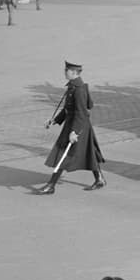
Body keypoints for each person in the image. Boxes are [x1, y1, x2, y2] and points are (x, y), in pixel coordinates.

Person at [36, 61, 105, 195]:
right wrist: (55, 120)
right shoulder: (74, 86)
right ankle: (100, 179)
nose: (64, 72)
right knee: (88, 152)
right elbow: (68, 109)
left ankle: (51, 185)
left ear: (73, 72)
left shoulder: (78, 89)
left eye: (66, 70)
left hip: (78, 127)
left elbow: (82, 112)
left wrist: (75, 132)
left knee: (63, 154)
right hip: (74, 125)